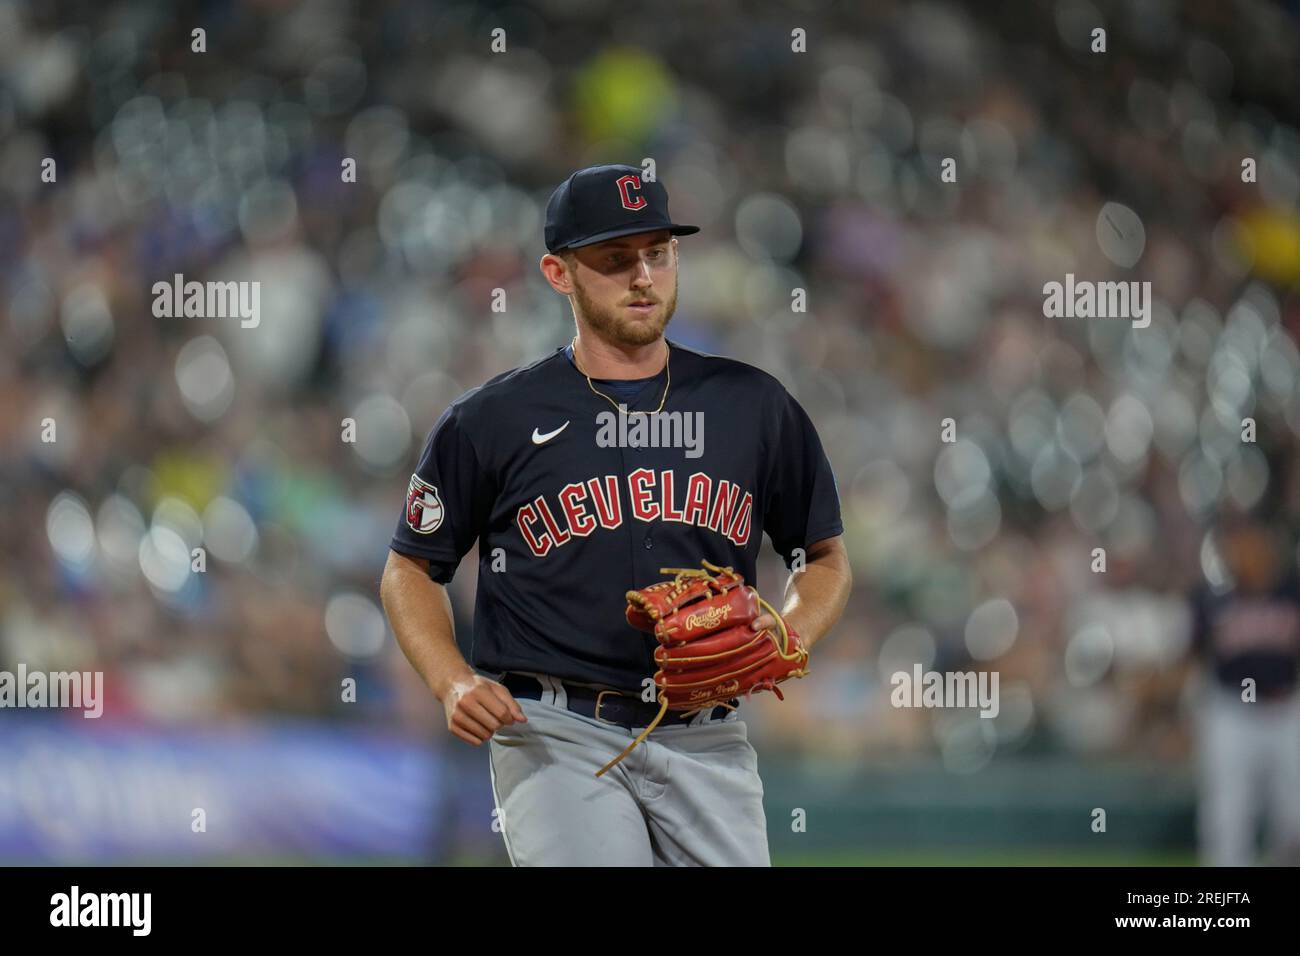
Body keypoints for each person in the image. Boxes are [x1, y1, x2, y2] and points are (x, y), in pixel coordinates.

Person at [380, 164, 852, 866]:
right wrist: (453, 679)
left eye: (657, 252)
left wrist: (788, 631)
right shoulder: (493, 420)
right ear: (558, 272)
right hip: (555, 736)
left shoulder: (752, 405)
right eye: (614, 259)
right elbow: (410, 569)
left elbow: (824, 557)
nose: (643, 276)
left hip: (708, 736)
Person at [1190, 514, 1300, 866]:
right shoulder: (1211, 598)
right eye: (1239, 546)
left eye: (1255, 545)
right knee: (1228, 818)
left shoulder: (1292, 592)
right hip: (1232, 713)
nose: (1248, 554)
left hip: (1285, 710)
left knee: (1294, 817)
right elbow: (1192, 657)